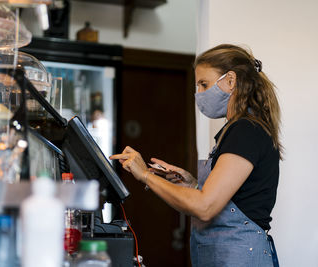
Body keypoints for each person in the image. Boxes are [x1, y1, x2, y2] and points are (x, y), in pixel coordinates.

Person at [110, 44, 281, 267]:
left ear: (230, 80)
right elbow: (232, 197)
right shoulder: (233, 130)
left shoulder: (246, 131)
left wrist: (145, 176)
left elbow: (205, 207)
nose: (198, 94)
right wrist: (192, 185)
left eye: (204, 84)